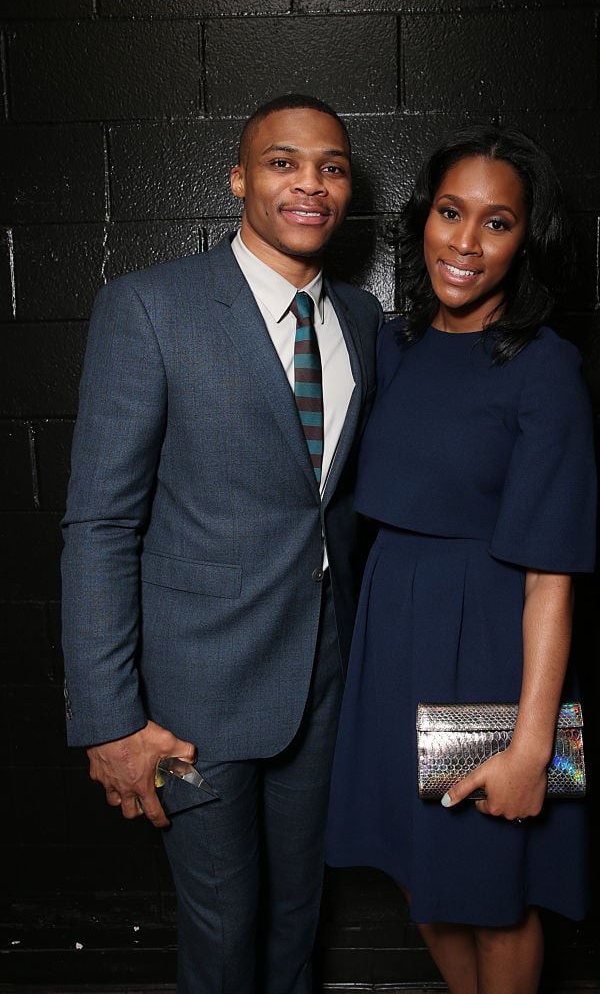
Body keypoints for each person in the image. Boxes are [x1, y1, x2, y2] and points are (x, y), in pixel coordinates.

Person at [61, 93, 383, 994]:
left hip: (323, 680)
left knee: (297, 914)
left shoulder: (362, 319)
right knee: (223, 924)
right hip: (194, 693)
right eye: (283, 163)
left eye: (330, 167)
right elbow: (100, 523)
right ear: (239, 178)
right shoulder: (148, 307)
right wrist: (108, 716)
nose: (310, 184)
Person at [326, 126, 597, 993]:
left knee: (494, 891)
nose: (467, 242)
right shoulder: (394, 345)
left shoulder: (546, 368)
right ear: (424, 219)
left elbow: (552, 581)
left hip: (489, 650)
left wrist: (531, 747)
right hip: (392, 642)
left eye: (497, 222)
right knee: (422, 878)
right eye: (451, 212)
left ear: (527, 241)